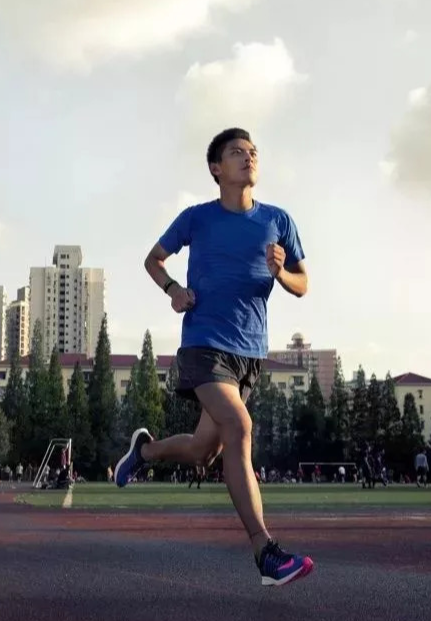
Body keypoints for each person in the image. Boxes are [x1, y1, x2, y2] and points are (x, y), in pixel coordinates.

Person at [113, 128, 313, 586]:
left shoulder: (279, 220)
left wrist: (282, 274)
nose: (248, 157)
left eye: (253, 152)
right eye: (237, 152)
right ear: (216, 169)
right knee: (240, 427)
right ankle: (266, 552)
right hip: (204, 344)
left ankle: (143, 451)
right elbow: (153, 259)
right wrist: (173, 290)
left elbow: (304, 284)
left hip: (250, 354)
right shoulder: (196, 218)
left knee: (206, 450)